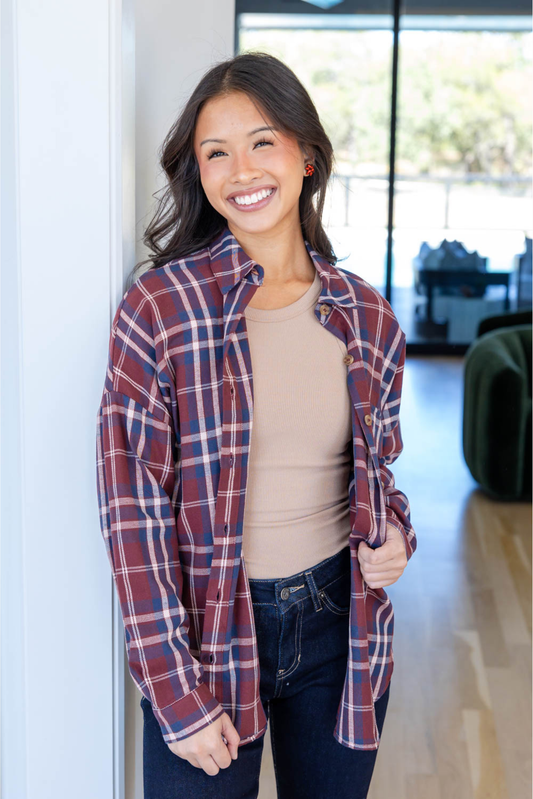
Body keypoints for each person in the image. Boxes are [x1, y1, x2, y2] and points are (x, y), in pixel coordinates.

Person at [96, 51, 417, 799]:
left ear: (306, 154)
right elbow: (130, 510)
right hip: (208, 630)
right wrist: (173, 691)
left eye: (262, 141)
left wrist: (395, 532)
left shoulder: (364, 313)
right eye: (216, 152)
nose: (241, 169)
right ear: (198, 173)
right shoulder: (160, 308)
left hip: (338, 622)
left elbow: (381, 471)